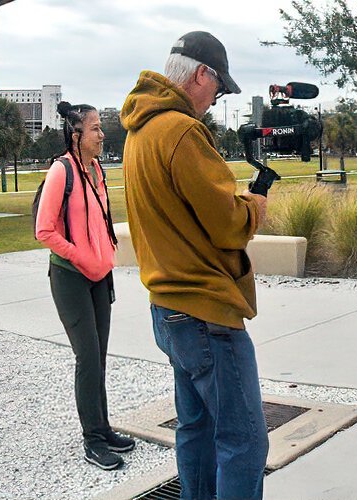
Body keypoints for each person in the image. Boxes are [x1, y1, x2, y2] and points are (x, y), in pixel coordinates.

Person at [121, 31, 270, 498]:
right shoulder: (182, 131)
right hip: (207, 315)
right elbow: (228, 224)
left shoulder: (140, 129)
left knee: (197, 431)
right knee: (244, 441)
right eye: (219, 87)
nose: (216, 98)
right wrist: (255, 202)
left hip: (167, 309)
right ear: (201, 74)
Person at [34, 101, 135, 470]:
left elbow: (100, 220)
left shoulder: (97, 170)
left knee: (99, 357)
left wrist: (105, 254)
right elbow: (43, 230)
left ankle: (103, 428)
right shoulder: (62, 171)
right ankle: (92, 441)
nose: (101, 134)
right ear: (76, 135)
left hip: (99, 277)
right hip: (70, 278)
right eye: (95, 128)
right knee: (87, 357)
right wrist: (81, 257)